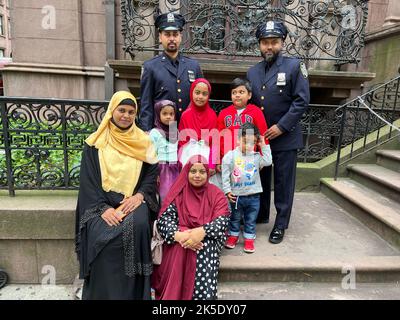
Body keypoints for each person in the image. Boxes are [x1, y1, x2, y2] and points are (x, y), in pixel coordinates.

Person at [75, 91, 159, 300]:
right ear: (112, 110)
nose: (126, 115)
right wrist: (104, 209)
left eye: (131, 112)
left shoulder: (143, 141)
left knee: (138, 225)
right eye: (121, 110)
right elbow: (89, 180)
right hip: (100, 202)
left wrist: (139, 196)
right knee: (101, 234)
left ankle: (134, 293)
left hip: (132, 200)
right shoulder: (95, 143)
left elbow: (151, 174)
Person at [247, 20, 310, 244]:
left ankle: (280, 223)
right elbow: (251, 105)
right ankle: (262, 214)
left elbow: (301, 101)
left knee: (283, 182)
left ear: (282, 42)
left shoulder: (294, 66)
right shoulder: (252, 72)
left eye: (274, 42)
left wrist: (281, 126)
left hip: (285, 136)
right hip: (261, 138)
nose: (269, 47)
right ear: (259, 45)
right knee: (261, 178)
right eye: (265, 43)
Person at [151, 155, 230, 300]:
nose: (197, 175)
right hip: (180, 237)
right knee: (179, 247)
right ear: (186, 172)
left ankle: (202, 297)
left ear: (208, 173)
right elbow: (164, 220)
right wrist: (179, 235)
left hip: (207, 238)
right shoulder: (178, 193)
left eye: (202, 171)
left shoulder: (216, 194)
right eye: (193, 171)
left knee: (205, 247)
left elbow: (222, 221)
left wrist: (202, 231)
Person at [139, 12, 203, 131]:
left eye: (175, 34)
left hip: (189, 130)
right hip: (162, 132)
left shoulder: (193, 66)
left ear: (181, 36)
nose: (172, 38)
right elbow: (146, 103)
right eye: (167, 34)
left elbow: (201, 101)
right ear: (160, 37)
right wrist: (146, 132)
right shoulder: (150, 67)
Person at [222, 123, 272, 253]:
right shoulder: (230, 156)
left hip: (253, 196)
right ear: (238, 139)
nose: (249, 146)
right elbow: (225, 175)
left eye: (253, 143)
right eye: (246, 142)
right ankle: (233, 236)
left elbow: (268, 161)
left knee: (250, 219)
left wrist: (263, 145)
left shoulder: (255, 156)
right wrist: (227, 191)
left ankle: (249, 239)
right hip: (236, 196)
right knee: (235, 217)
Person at [217, 77, 270, 162]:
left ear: (249, 95)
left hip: (249, 159)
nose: (237, 95)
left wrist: (261, 158)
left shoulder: (256, 112)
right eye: (234, 92)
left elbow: (262, 136)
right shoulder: (224, 113)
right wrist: (217, 161)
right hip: (228, 160)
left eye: (241, 92)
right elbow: (217, 139)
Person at [178, 78, 218, 174]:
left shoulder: (212, 115)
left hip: (207, 158)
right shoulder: (185, 115)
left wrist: (212, 164)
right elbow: (181, 142)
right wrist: (179, 162)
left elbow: (215, 142)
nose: (200, 97)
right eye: (197, 92)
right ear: (192, 93)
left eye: (204, 94)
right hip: (187, 158)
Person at [149, 100, 179, 202]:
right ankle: (163, 216)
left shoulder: (175, 131)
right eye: (164, 113)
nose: (168, 117)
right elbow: (152, 154)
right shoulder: (155, 132)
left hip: (175, 168)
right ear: (158, 114)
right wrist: (155, 173)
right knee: (164, 195)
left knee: (176, 194)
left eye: (171, 114)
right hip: (162, 169)